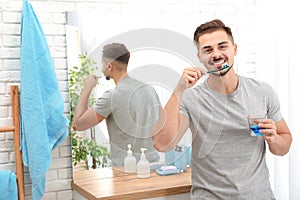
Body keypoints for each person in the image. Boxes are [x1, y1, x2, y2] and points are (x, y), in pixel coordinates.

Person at [152, 19, 292, 199]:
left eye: (222, 46)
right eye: (208, 50)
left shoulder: (262, 91)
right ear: (199, 57)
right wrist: (179, 89)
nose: (216, 54)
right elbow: (162, 144)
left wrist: (273, 139)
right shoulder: (191, 98)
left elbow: (284, 146)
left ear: (235, 49)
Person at [73, 43, 160, 166]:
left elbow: (78, 125)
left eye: (102, 64)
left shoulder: (113, 96)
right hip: (152, 166)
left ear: (109, 66)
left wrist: (87, 88)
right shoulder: (149, 89)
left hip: (125, 172)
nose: (101, 68)